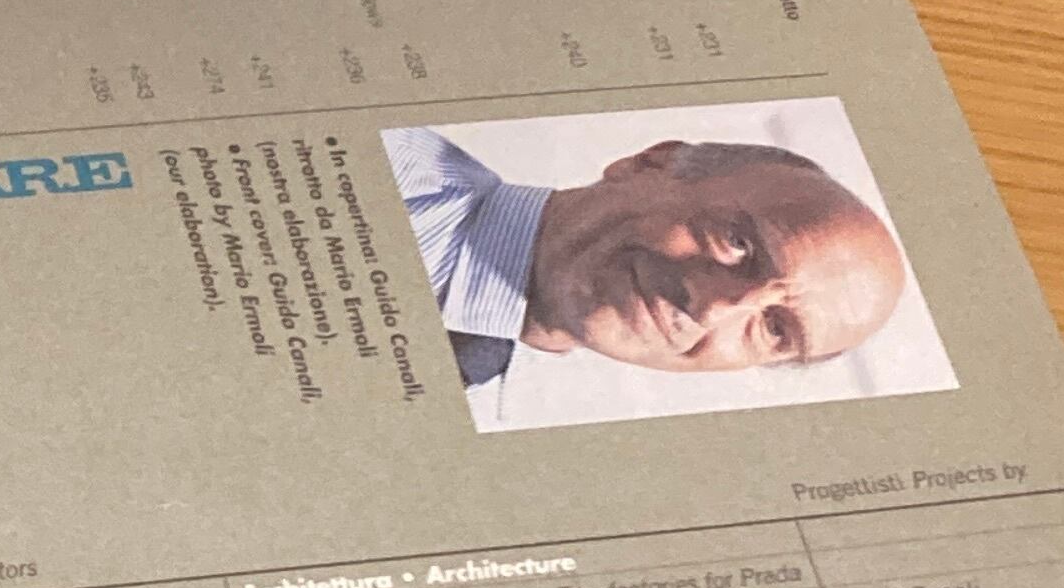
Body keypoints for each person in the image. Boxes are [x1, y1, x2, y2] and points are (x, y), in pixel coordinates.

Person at [387, 128, 908, 392]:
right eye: (739, 243)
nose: (714, 308)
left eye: (775, 329)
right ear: (649, 165)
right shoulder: (383, 169)